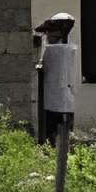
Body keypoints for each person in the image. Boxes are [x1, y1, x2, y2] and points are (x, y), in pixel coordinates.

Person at [34, 14, 80, 144]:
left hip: (55, 100)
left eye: (50, 33)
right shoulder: (69, 48)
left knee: (55, 136)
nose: (47, 36)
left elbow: (44, 68)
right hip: (61, 99)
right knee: (63, 135)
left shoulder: (56, 50)